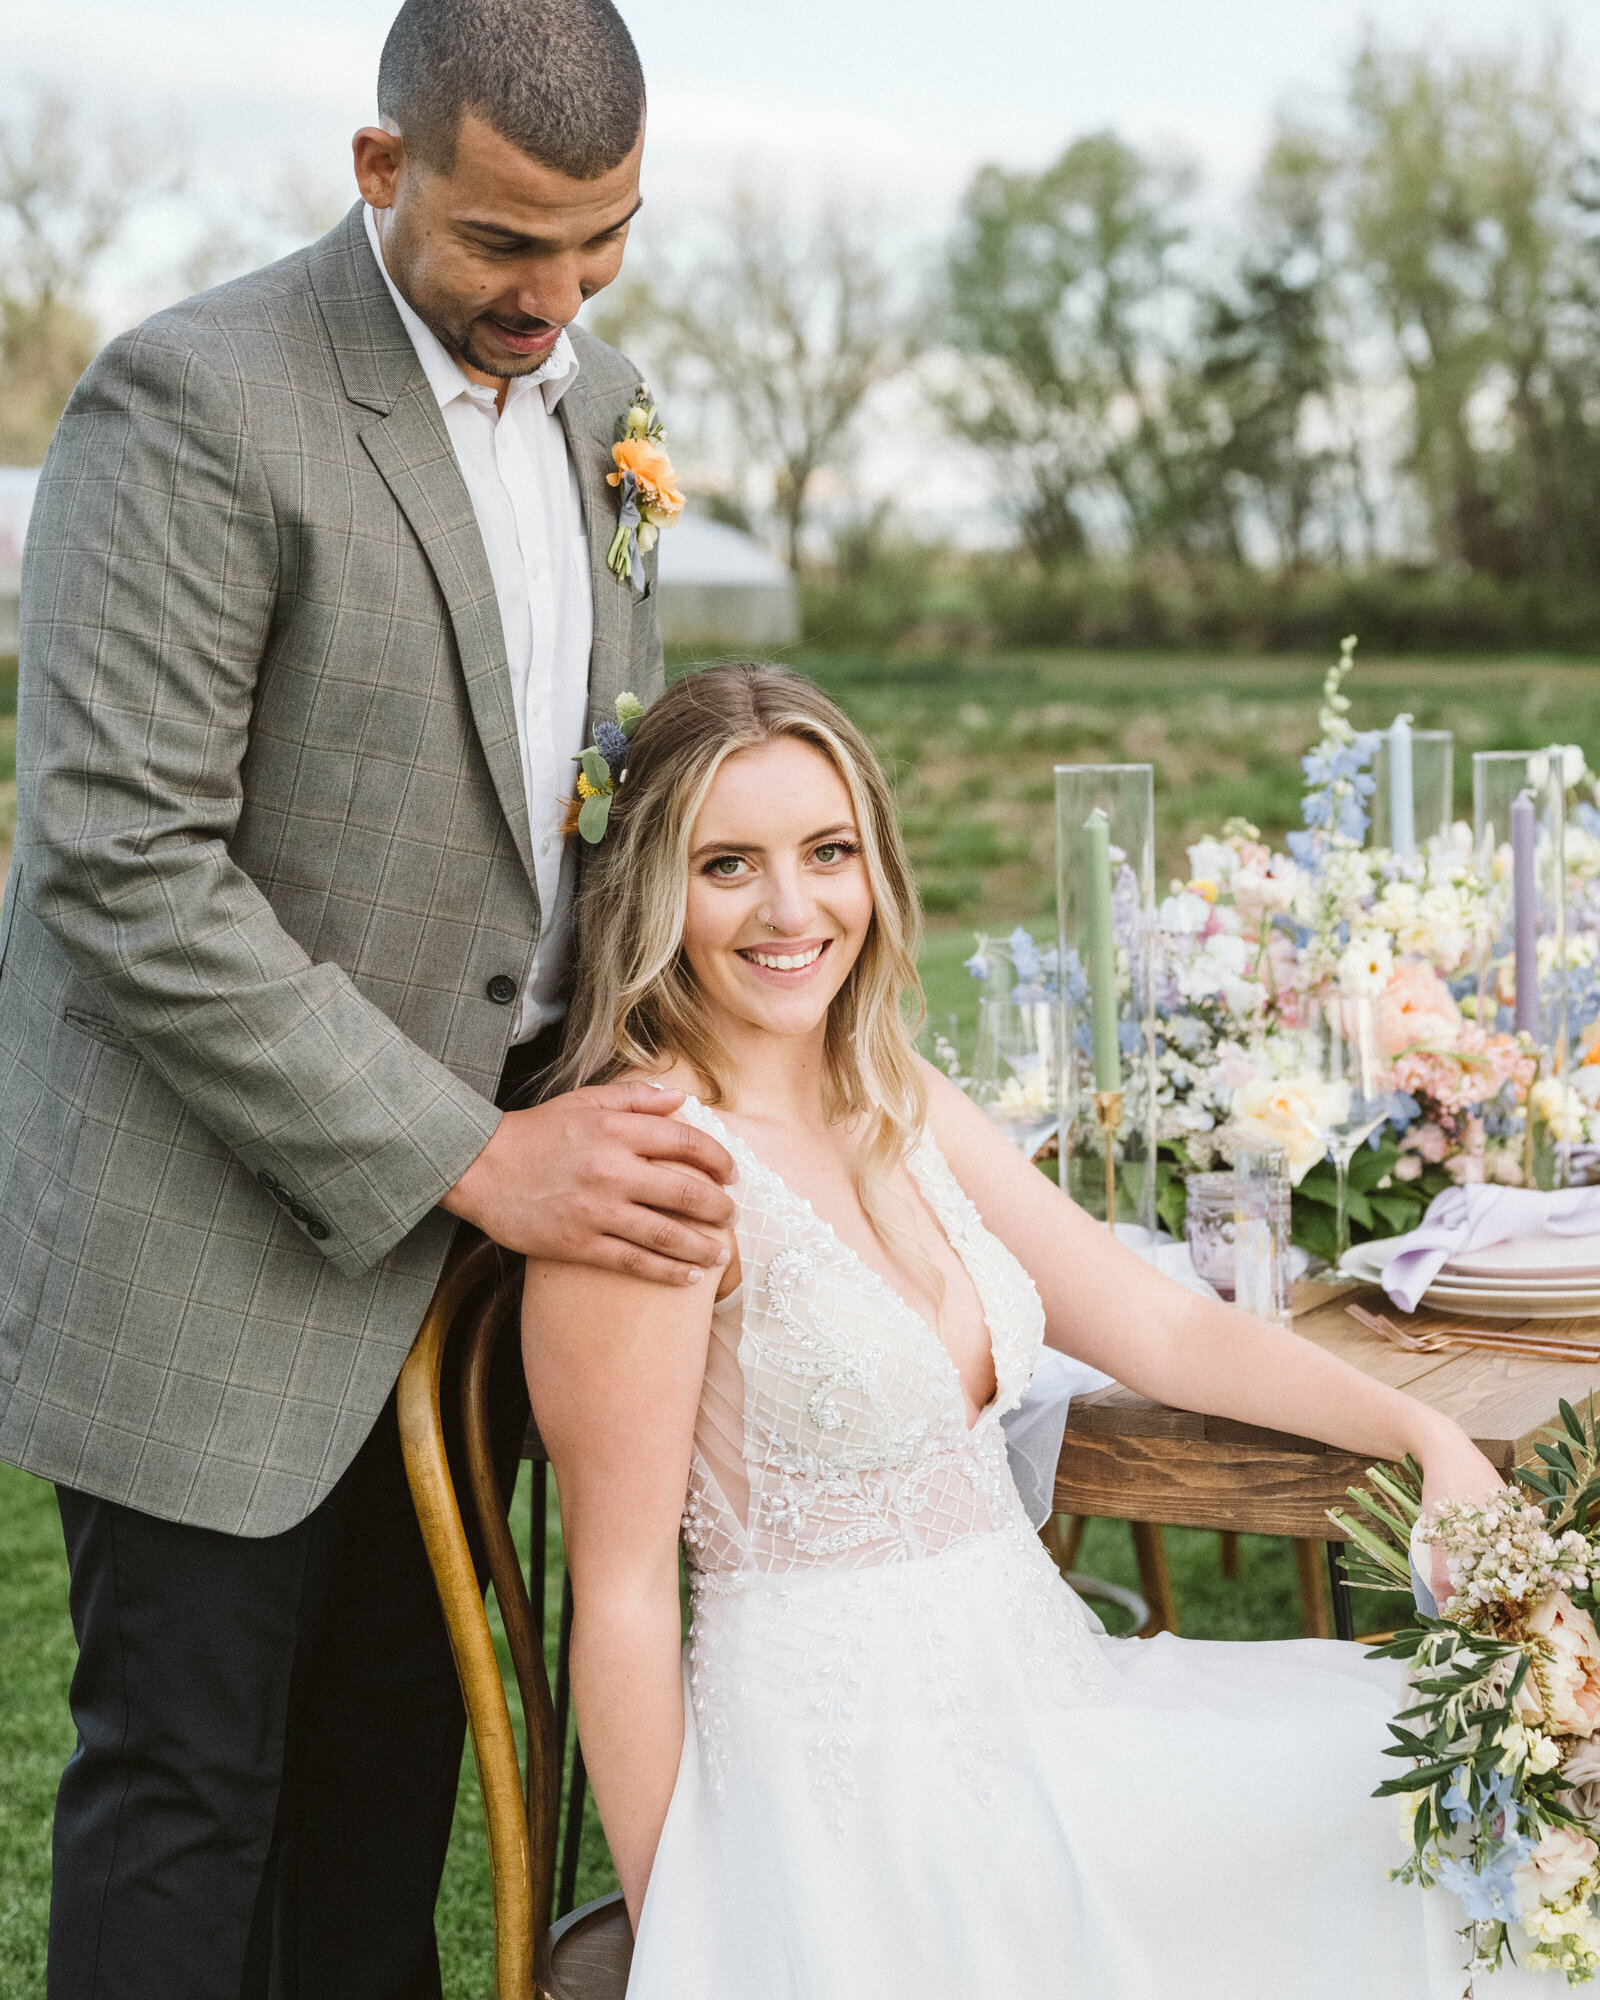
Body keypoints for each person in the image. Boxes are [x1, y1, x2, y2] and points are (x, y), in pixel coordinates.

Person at [0, 3, 738, 1995]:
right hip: (204, 1230)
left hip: (467, 1279)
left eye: (603, 240)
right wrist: (471, 1152)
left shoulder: (610, 407)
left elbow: (581, 805)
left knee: (389, 1777)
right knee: (188, 1787)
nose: (555, 297)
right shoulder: (194, 402)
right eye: (507, 242)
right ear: (377, 168)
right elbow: (118, 863)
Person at [524, 661, 1558, 1998]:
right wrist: (692, 1934)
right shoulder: (654, 1171)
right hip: (861, 1797)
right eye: (730, 865)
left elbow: (1160, 1330)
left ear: (875, 868)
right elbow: (616, 1598)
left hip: (1048, 1697)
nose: (793, 909)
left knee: (1504, 1759)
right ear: (656, 889)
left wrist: (1425, 1434)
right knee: (1442, 1834)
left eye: (827, 852)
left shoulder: (892, 1092)